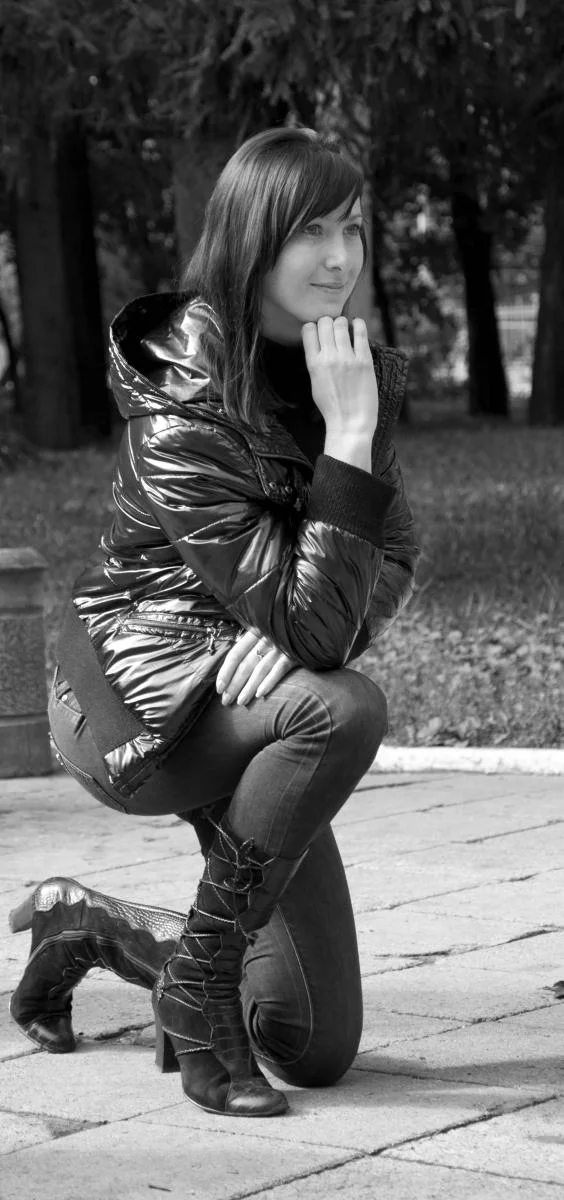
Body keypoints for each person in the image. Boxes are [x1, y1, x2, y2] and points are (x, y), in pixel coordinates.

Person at [9, 127, 419, 1118]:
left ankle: (106, 930)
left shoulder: (345, 367)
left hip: (256, 696)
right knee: (341, 707)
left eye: (352, 228)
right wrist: (349, 441)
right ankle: (200, 989)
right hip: (137, 698)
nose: (338, 257)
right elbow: (321, 634)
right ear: (250, 236)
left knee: (313, 1047)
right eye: (309, 231)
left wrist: (353, 428)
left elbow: (393, 562)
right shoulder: (183, 394)